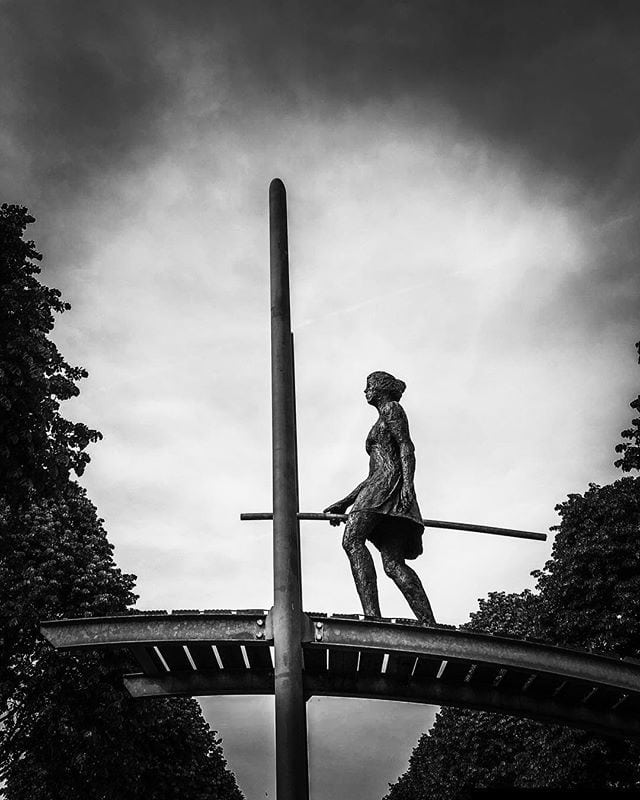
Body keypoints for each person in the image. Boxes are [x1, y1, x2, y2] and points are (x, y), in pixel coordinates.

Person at [324, 371, 435, 624]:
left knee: (352, 540)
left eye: (369, 386)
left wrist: (408, 484)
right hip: (379, 485)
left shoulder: (392, 409)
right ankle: (428, 622)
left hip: (387, 486)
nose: (366, 391)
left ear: (381, 389)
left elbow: (407, 446)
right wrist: (345, 502)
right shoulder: (382, 417)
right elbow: (372, 474)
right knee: (393, 564)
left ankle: (373, 617)